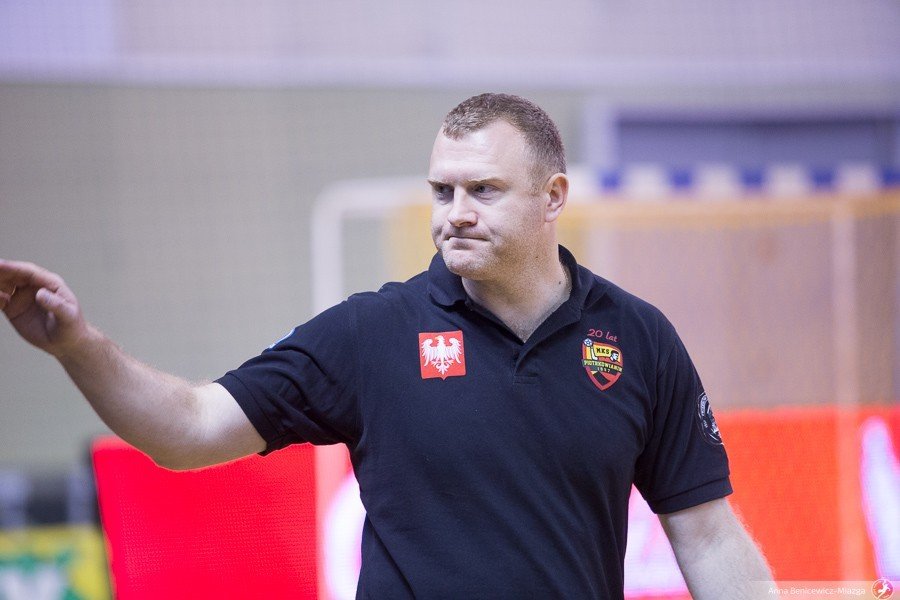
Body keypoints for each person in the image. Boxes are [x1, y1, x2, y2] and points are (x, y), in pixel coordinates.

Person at [0, 93, 772, 598]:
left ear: (553, 197)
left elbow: (707, 536)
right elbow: (189, 429)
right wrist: (77, 345)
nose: (454, 213)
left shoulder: (637, 339)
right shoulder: (371, 335)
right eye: (442, 190)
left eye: (484, 190)